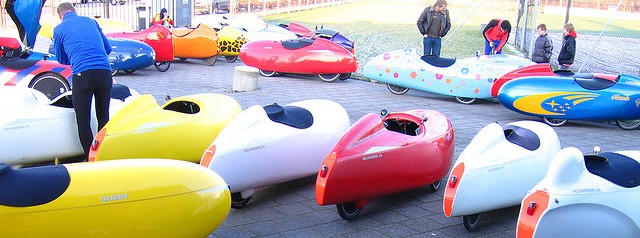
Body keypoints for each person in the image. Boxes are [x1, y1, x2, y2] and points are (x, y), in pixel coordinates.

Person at [53, 2, 113, 160]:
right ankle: (105, 153)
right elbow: (108, 48)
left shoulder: (59, 29)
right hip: (105, 73)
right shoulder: (91, 21)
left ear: (60, 16)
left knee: (83, 119)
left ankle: (91, 157)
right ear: (75, 10)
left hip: (83, 75)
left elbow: (61, 59)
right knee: (103, 116)